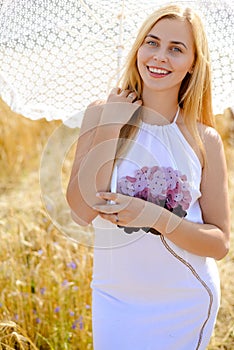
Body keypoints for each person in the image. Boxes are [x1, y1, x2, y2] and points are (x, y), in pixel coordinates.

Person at [66, 4, 230, 350]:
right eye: (152, 43)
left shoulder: (204, 140)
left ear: (193, 65)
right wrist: (112, 124)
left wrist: (155, 217)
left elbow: (219, 243)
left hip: (185, 301)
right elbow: (81, 212)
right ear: (138, 48)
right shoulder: (100, 115)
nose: (159, 56)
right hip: (115, 299)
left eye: (176, 49)